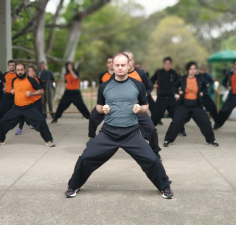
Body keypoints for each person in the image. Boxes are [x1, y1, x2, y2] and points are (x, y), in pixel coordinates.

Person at [65, 53, 173, 199]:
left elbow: (145, 106)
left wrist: (139, 109)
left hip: (132, 133)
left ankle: (165, 187)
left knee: (152, 159)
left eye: (123, 65)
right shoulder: (104, 86)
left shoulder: (137, 85)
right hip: (109, 132)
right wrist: (102, 109)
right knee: (85, 158)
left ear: (128, 66)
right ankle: (73, 185)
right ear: (113, 66)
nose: (120, 68)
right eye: (117, 65)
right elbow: (98, 107)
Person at [0, 63, 55, 147]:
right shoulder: (14, 80)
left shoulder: (31, 80)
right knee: (3, 121)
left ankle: (49, 140)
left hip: (29, 108)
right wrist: (12, 91)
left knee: (41, 122)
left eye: (22, 70)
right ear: (16, 71)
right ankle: (0, 140)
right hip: (17, 108)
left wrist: (32, 93)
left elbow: (41, 91)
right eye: (18, 70)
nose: (20, 72)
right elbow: (14, 88)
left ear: (25, 70)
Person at [163, 62, 219, 147]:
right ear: (188, 70)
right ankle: (168, 140)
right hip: (184, 104)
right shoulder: (183, 78)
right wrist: (178, 91)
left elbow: (204, 87)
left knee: (205, 121)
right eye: (191, 69)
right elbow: (174, 87)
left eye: (194, 69)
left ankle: (211, 140)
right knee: (176, 122)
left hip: (196, 105)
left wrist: (202, 92)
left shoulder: (199, 78)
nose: (193, 71)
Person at [150, 57, 186, 135]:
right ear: (163, 64)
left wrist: (178, 90)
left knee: (176, 114)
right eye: (166, 64)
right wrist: (154, 84)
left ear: (171, 64)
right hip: (161, 97)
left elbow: (179, 82)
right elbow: (151, 80)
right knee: (156, 114)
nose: (167, 65)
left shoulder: (174, 73)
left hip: (171, 97)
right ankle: (149, 129)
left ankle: (181, 130)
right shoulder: (159, 72)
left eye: (169, 64)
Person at [88, 56, 114, 139]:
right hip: (104, 102)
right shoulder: (102, 75)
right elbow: (100, 88)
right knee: (92, 117)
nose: (111, 64)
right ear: (107, 64)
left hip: (116, 102)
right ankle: (91, 137)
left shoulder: (120, 75)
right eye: (109, 62)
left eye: (113, 62)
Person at [15, 65, 43, 135]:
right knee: (23, 115)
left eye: (33, 71)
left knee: (40, 115)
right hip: (29, 101)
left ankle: (43, 129)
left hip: (37, 100)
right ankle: (20, 129)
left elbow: (41, 90)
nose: (32, 72)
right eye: (30, 71)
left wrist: (35, 93)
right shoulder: (25, 80)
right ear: (27, 72)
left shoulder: (38, 80)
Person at [0, 60, 17, 130]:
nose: (12, 66)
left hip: (16, 95)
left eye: (13, 65)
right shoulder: (5, 74)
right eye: (10, 65)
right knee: (1, 108)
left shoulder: (18, 74)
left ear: (15, 66)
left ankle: (30, 123)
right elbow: (4, 82)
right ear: (8, 66)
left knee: (22, 109)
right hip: (7, 94)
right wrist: (5, 87)